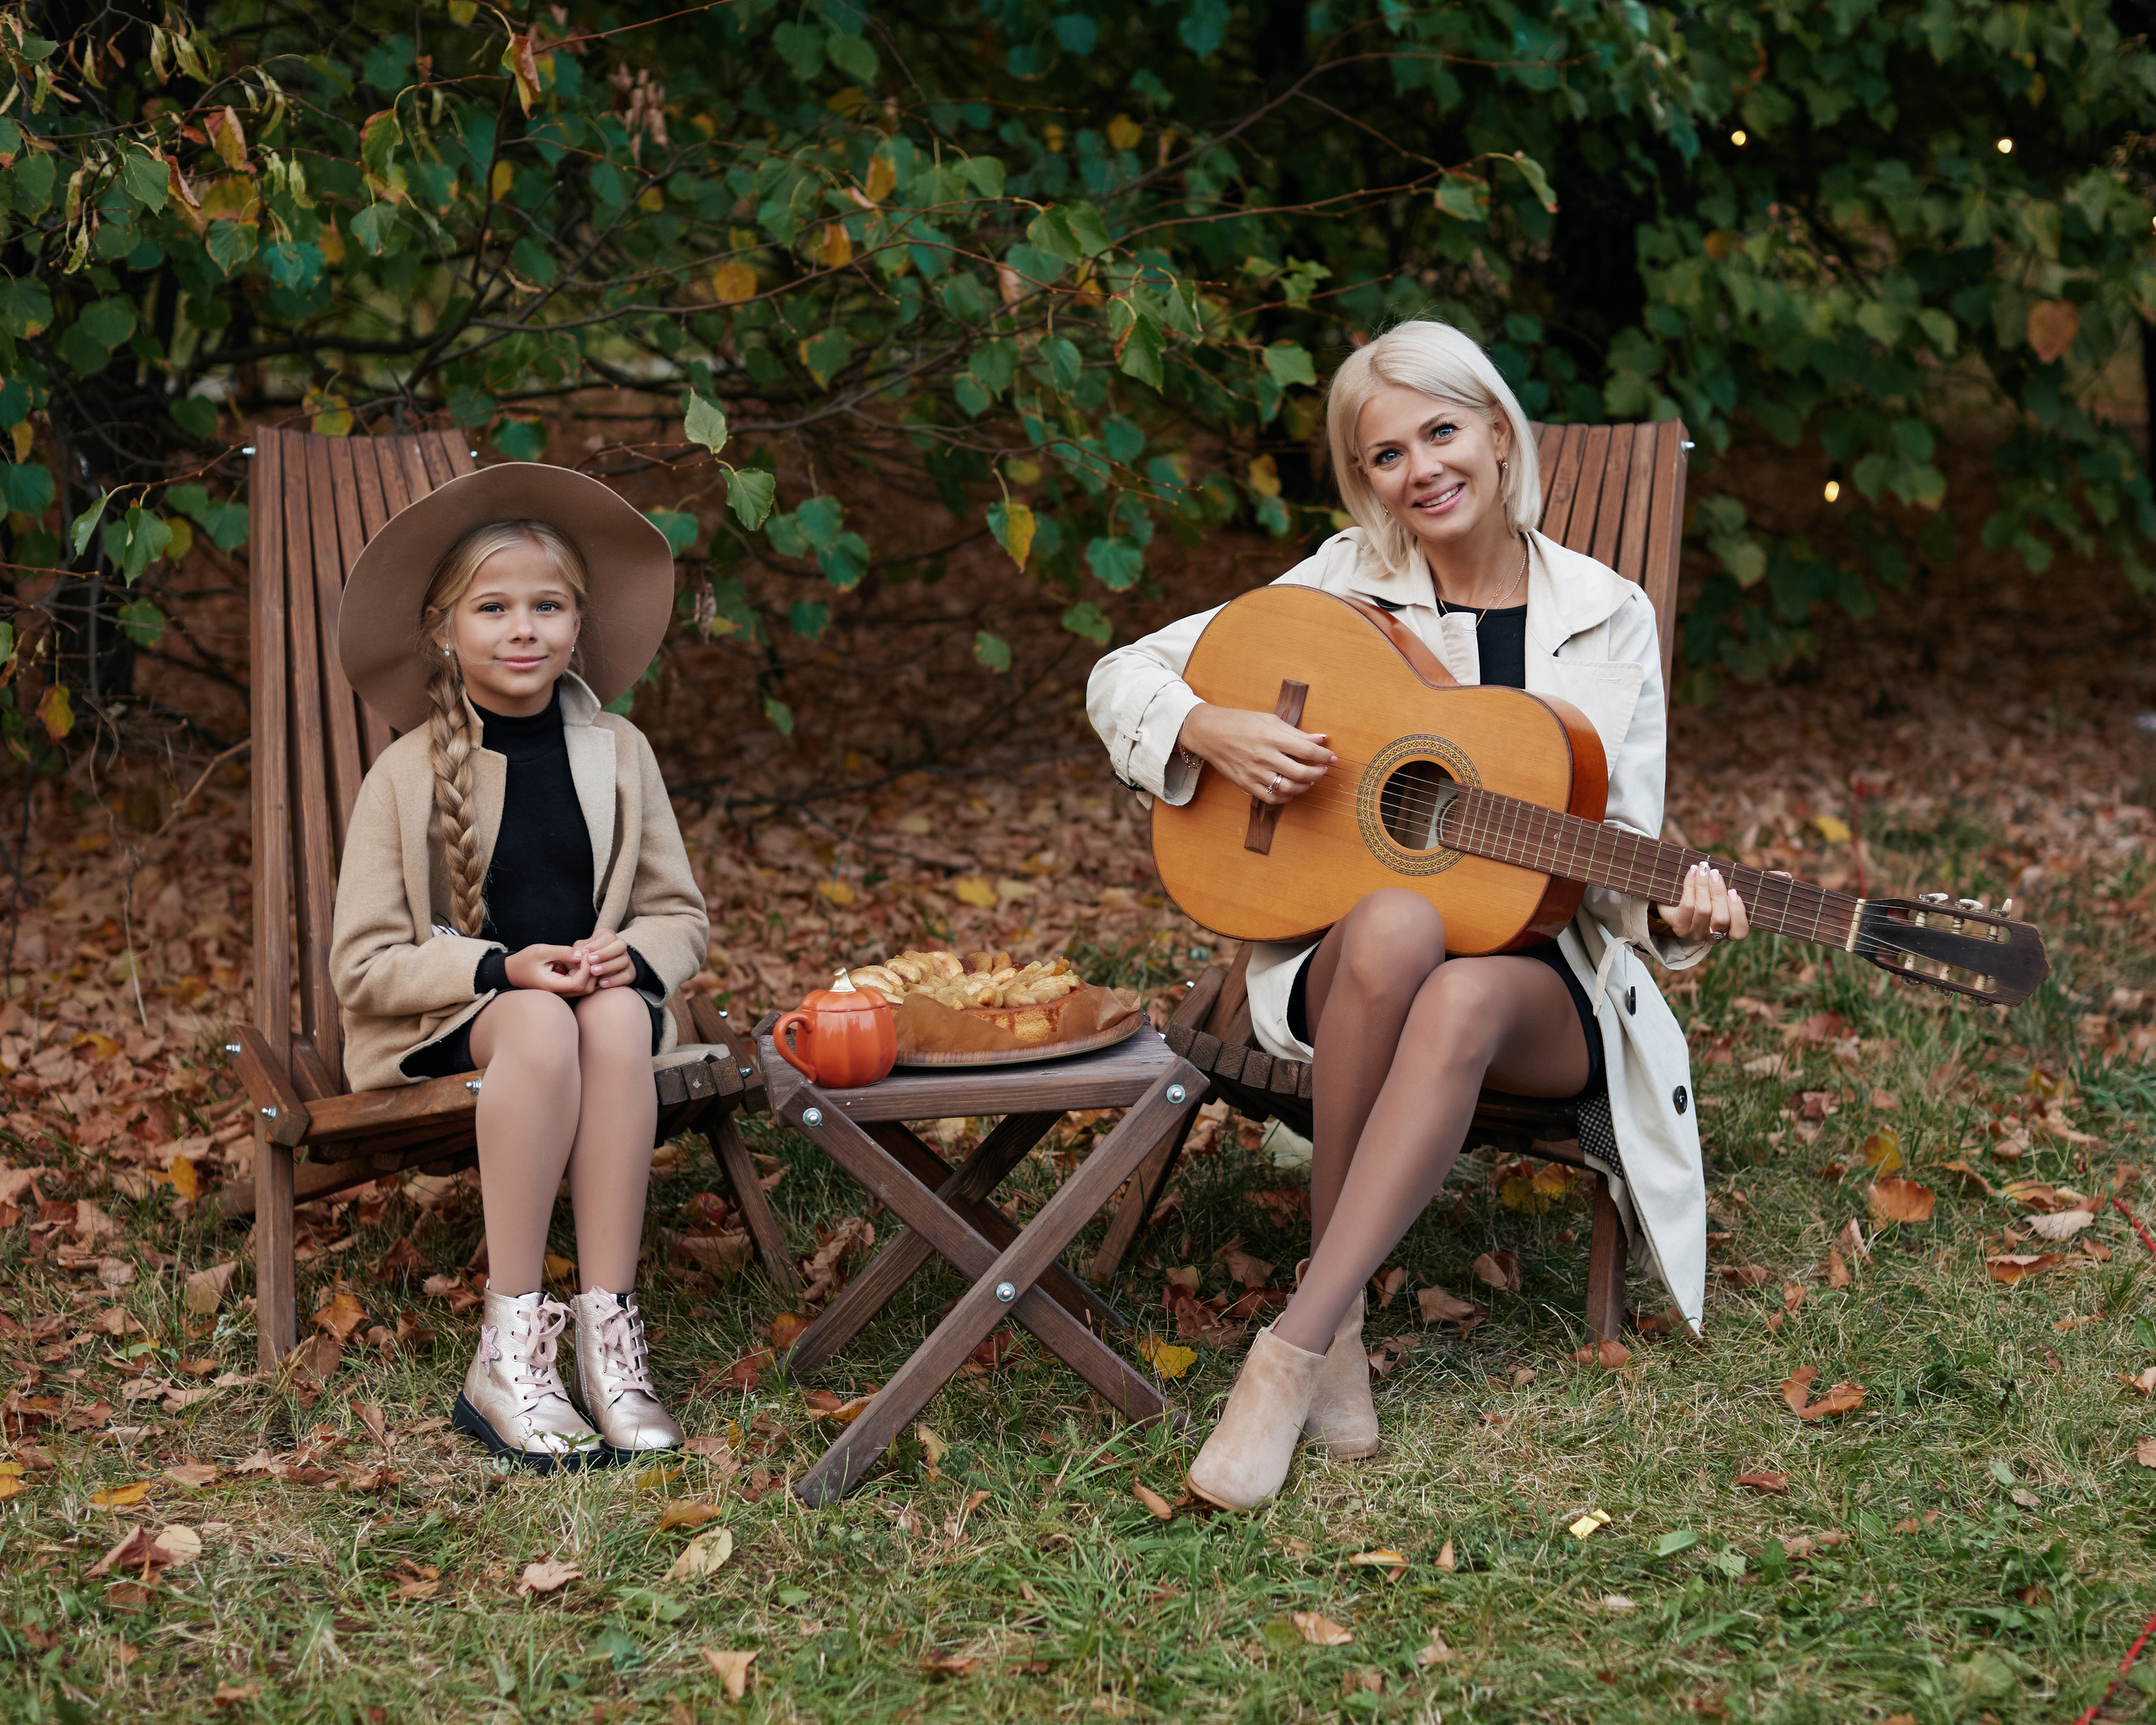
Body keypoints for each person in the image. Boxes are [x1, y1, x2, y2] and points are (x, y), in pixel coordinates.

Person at [1087, 321, 1757, 1510]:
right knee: (1399, 924)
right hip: (1347, 959)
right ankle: (1323, 1339)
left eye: (1441, 431)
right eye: (1384, 454)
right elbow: (1122, 675)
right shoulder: (1341, 584)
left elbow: (1626, 859)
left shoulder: (1607, 614)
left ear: (1499, 433)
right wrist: (1207, 728)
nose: (1420, 470)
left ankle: (1295, 1344)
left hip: (1538, 984)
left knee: (1456, 983)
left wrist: (1684, 915)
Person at [330, 462, 708, 1471]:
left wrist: (630, 951)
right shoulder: (405, 773)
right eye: (492, 607)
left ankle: (608, 1338)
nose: (523, 628)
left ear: (579, 624)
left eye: (547, 605)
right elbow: (363, 967)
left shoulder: (619, 751)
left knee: (618, 1016)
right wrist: (502, 969)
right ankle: (508, 1345)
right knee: (544, 1020)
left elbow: (680, 912)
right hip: (456, 1020)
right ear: (442, 630)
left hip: (599, 1013)